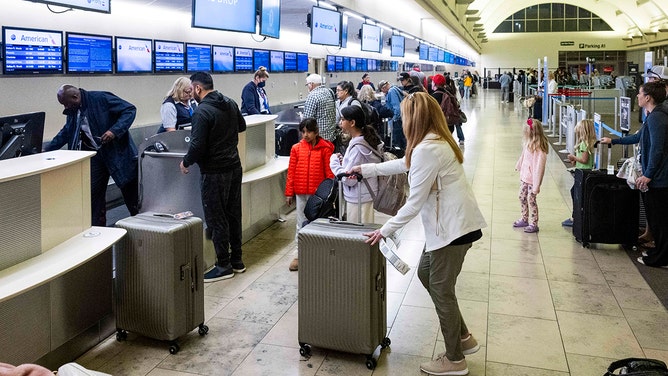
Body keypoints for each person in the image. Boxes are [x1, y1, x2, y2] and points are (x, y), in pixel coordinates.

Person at [352, 92, 486, 376]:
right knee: (427, 275)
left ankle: (455, 359)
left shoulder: (428, 148)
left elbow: (413, 203)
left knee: (441, 289)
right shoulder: (434, 142)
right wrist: (365, 169)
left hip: (452, 230)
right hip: (451, 227)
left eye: (404, 116)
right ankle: (463, 337)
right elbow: (404, 163)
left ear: (415, 119)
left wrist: (384, 231)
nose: (401, 121)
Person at [180, 72, 247, 282]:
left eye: (192, 90)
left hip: (214, 171)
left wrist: (186, 161)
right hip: (234, 167)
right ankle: (237, 260)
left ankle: (223, 265)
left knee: (216, 217)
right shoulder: (230, 102)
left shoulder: (202, 112)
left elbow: (197, 145)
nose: (192, 94)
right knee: (233, 213)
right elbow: (242, 126)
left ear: (198, 89)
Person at [45, 84, 139, 227]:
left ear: (75, 97)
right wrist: (47, 150)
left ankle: (141, 225)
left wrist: (114, 131)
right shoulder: (73, 111)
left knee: (131, 194)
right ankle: (96, 230)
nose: (65, 108)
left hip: (117, 154)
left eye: (66, 104)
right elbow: (66, 132)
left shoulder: (100, 98)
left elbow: (129, 109)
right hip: (95, 157)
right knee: (93, 197)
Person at [601, 81, 668, 268]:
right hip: (657, 177)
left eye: (640, 93)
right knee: (656, 218)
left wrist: (648, 174)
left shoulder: (657, 118)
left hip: (659, 179)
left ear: (648, 97)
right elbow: (639, 137)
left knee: (660, 219)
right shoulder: (654, 115)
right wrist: (614, 141)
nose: (637, 96)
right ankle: (660, 251)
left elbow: (657, 149)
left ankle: (661, 257)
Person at [284, 117, 335, 271]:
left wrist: (330, 195)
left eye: (309, 132)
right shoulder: (296, 149)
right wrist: (289, 193)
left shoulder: (325, 149)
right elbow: (291, 172)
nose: (305, 135)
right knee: (300, 223)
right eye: (303, 132)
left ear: (316, 131)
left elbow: (329, 175)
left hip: (318, 195)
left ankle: (319, 252)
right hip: (300, 192)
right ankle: (299, 254)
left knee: (319, 223)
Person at [329, 106, 383, 223]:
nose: (340, 123)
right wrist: (345, 162)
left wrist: (334, 161)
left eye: (343, 120)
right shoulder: (364, 141)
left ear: (352, 122)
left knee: (358, 232)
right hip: (365, 193)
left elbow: (348, 179)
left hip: (358, 195)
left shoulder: (357, 147)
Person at [513, 118, 548, 233]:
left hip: (533, 180)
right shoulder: (528, 143)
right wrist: (519, 165)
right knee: (522, 197)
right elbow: (523, 156)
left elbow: (539, 168)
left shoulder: (540, 150)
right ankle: (524, 218)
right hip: (525, 177)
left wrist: (536, 185)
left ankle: (534, 223)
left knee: (531, 200)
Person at [561, 119, 596, 227]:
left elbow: (584, 160)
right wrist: (575, 160)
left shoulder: (584, 145)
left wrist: (573, 157)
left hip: (583, 173)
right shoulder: (586, 144)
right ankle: (576, 216)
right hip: (582, 171)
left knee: (576, 194)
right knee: (576, 193)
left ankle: (575, 217)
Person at [431, 74, 464, 145]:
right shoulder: (448, 93)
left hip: (439, 126)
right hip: (449, 124)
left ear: (435, 84)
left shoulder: (433, 97)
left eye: (432, 82)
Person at [304, 74, 337, 145]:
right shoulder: (330, 91)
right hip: (331, 136)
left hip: (319, 139)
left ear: (311, 84)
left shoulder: (312, 96)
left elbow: (307, 121)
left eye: (307, 85)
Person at [387, 74, 409, 149]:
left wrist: (394, 119)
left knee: (398, 143)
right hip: (403, 118)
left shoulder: (392, 91)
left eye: (402, 80)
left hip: (397, 120)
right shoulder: (396, 89)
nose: (401, 82)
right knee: (403, 140)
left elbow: (397, 107)